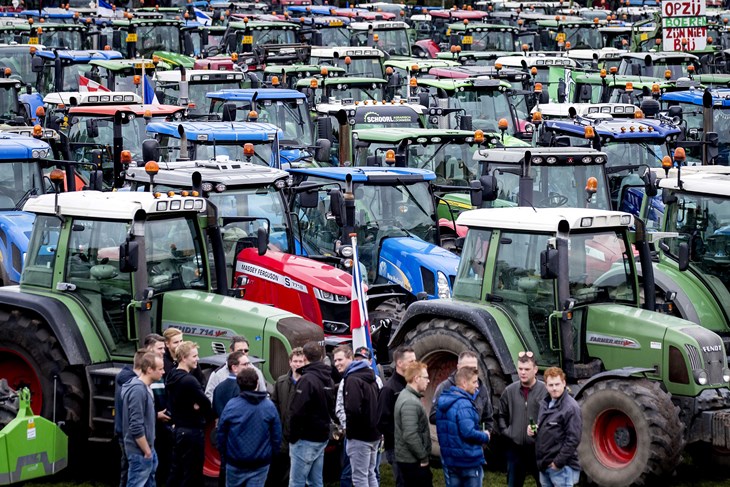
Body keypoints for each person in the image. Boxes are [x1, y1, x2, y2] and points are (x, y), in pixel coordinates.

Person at [217, 367, 282, 487]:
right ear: (257, 383)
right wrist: (272, 456)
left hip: (235, 462)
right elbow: (277, 437)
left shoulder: (231, 405)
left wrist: (225, 456)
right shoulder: (269, 406)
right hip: (260, 464)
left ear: (238, 384)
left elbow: (221, 434)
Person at [288, 341, 335, 487]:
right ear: (321, 356)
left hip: (305, 439)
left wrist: (292, 436)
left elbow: (297, 411)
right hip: (321, 437)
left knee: (297, 482)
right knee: (316, 482)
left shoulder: (307, 380)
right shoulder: (328, 378)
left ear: (305, 357)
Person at [166, 341, 213, 487]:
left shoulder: (172, 375)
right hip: (192, 432)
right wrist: (198, 407)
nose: (197, 359)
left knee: (176, 471)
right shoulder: (189, 381)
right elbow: (206, 404)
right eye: (194, 356)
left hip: (178, 430)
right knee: (191, 475)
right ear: (184, 358)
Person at [498, 351, 547, 487]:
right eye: (520, 369)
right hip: (516, 450)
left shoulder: (545, 391)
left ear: (535, 370)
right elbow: (501, 415)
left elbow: (552, 417)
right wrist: (507, 432)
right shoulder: (509, 391)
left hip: (538, 449)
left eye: (527, 369)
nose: (523, 372)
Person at [435, 366, 491, 487]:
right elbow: (468, 432)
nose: (477, 386)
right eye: (474, 382)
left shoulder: (443, 401)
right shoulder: (464, 404)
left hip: (451, 462)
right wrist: (485, 436)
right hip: (468, 462)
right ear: (464, 383)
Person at [528, 367, 582, 487]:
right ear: (546, 386)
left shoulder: (571, 407)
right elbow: (549, 430)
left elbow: (573, 439)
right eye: (551, 385)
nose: (554, 388)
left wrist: (557, 463)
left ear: (564, 383)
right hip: (545, 466)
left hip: (561, 469)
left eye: (557, 384)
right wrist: (535, 431)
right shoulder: (545, 404)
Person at [121, 351, 165, 487]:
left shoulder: (144, 388)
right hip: (140, 452)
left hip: (147, 449)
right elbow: (136, 425)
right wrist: (146, 451)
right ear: (149, 370)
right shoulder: (138, 390)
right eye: (160, 369)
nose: (163, 372)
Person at [378, 346, 416, 487]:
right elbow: (382, 421)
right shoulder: (389, 389)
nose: (415, 364)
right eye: (411, 361)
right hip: (397, 449)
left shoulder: (411, 385)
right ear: (399, 363)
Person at [343, 346, 380, 487]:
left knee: (359, 478)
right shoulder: (372, 379)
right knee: (370, 473)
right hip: (373, 434)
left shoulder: (353, 379)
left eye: (361, 359)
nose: (358, 361)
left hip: (360, 436)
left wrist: (350, 431)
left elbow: (352, 409)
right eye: (357, 358)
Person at [268, 347, 305, 487]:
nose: (298, 364)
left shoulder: (308, 382)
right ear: (290, 362)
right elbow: (274, 403)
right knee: (281, 472)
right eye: (295, 361)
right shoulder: (281, 381)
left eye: (301, 361)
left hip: (300, 438)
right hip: (283, 435)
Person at [394, 361, 432, 487]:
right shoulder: (410, 402)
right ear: (416, 378)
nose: (428, 381)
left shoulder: (409, 397)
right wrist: (423, 457)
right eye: (426, 377)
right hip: (413, 462)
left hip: (410, 459)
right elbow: (410, 435)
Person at [143, 333, 173, 485]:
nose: (163, 351)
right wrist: (156, 415)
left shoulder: (161, 372)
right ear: (149, 349)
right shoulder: (140, 379)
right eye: (160, 348)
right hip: (150, 430)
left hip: (163, 427)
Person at [115, 350, 145, 487]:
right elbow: (135, 419)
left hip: (125, 433)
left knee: (127, 470)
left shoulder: (126, 381)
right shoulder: (134, 387)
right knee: (130, 472)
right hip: (130, 437)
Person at [205, 336, 266, 402]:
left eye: (246, 350)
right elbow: (209, 397)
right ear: (231, 351)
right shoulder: (218, 374)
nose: (243, 353)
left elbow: (264, 396)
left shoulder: (256, 372)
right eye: (240, 351)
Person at [333, 345, 354, 487]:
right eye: (335, 361)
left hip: (358, 435)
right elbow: (339, 408)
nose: (336, 364)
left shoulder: (349, 379)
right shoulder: (344, 381)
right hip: (353, 433)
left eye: (340, 359)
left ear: (350, 358)